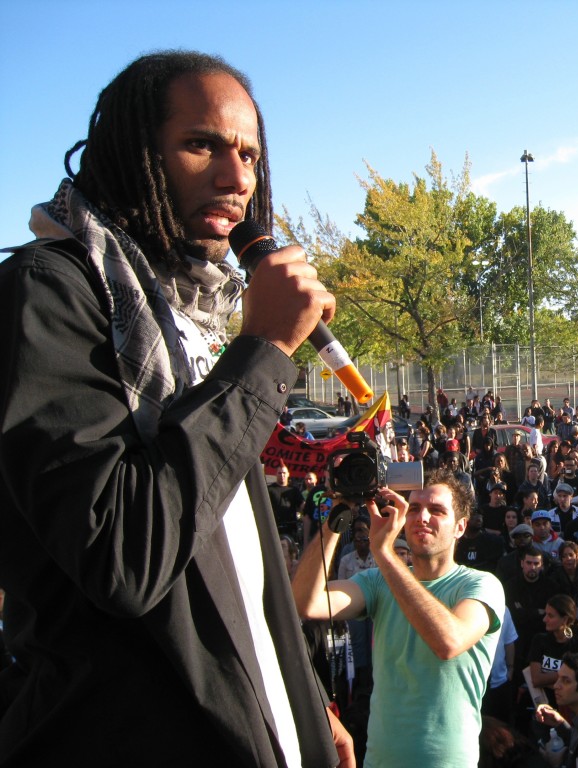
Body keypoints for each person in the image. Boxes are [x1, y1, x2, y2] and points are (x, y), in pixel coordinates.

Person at [0, 51, 345, 766]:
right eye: (202, 145)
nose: (236, 176)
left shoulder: (189, 313)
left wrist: (303, 701)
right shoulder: (49, 293)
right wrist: (264, 352)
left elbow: (237, 557)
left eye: (249, 154)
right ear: (133, 153)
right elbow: (124, 551)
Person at [291, 469, 505, 767]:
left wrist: (384, 553)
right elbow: (306, 602)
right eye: (414, 508)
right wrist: (338, 515)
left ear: (460, 526)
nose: (422, 517)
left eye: (437, 510)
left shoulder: (481, 586)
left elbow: (447, 642)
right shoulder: (378, 581)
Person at [528, 594, 578, 704]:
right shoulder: (539, 640)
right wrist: (565, 677)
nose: (544, 619)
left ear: (565, 619)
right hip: (543, 704)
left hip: (568, 708)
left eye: (550, 616)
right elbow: (536, 680)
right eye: (545, 614)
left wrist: (547, 680)